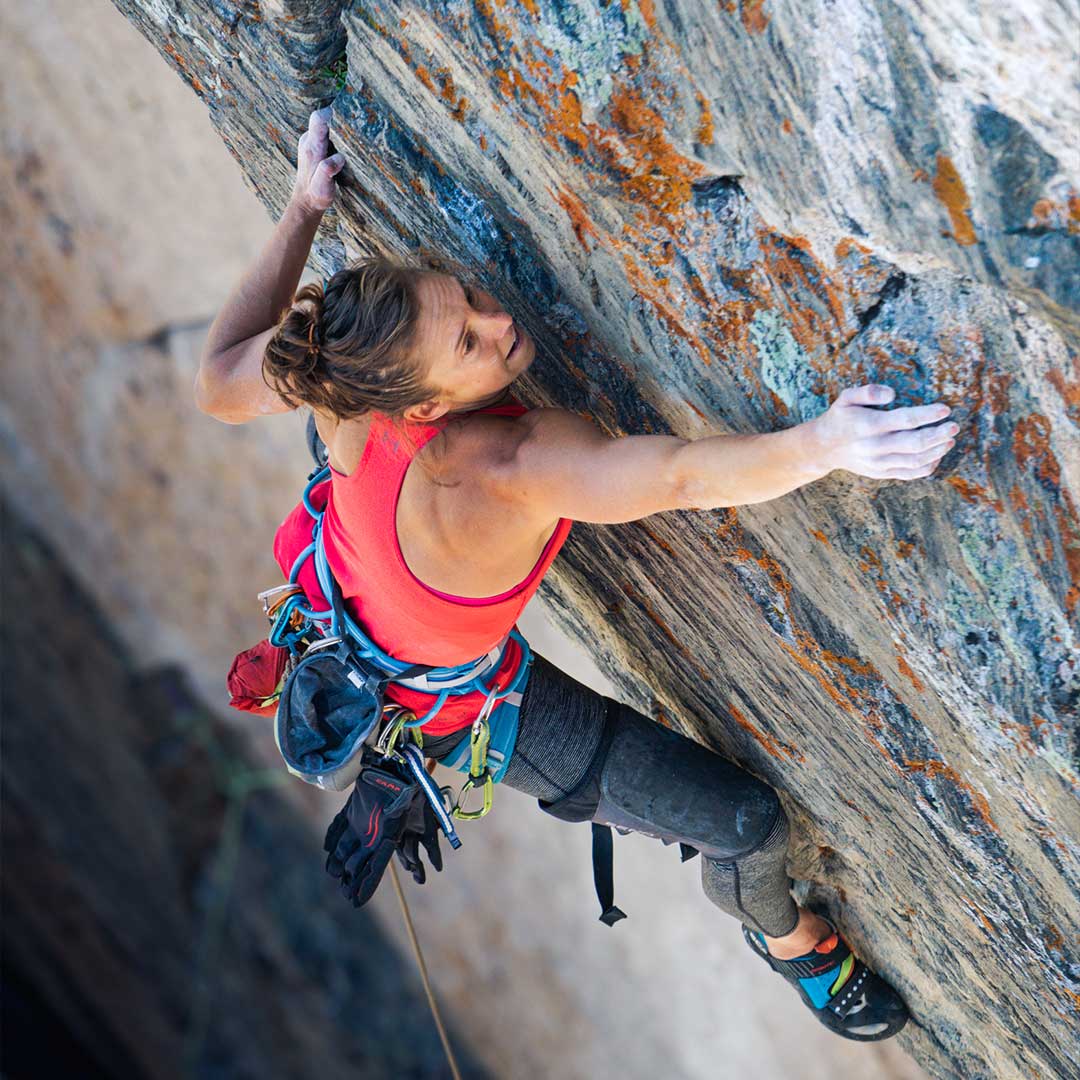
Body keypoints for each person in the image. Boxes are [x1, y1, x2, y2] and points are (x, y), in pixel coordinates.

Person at [196, 109, 957, 1041]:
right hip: (461, 705)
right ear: (430, 403)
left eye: (467, 299)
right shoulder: (516, 467)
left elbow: (220, 379)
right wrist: (828, 445)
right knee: (750, 827)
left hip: (344, 590)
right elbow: (678, 473)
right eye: (472, 341)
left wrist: (303, 205)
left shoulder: (342, 377)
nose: (499, 320)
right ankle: (789, 940)